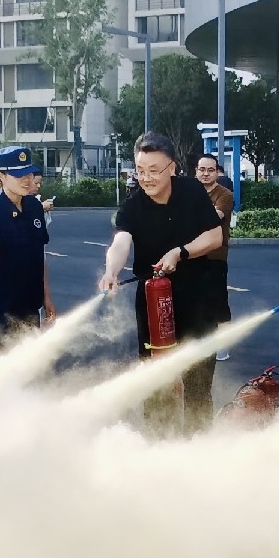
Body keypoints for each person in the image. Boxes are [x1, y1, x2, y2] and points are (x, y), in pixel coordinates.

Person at [99, 132, 226, 431]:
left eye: (154, 170)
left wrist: (180, 252)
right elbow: (121, 241)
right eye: (140, 171)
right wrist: (111, 271)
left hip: (197, 298)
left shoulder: (192, 192)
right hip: (153, 303)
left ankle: (198, 441)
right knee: (155, 379)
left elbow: (214, 236)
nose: (146, 178)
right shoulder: (133, 206)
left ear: (172, 168)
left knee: (197, 381)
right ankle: (158, 443)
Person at [0, 144, 55, 354]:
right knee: (2, 370)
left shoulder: (34, 207)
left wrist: (46, 297)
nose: (27, 180)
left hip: (29, 309)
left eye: (29, 173)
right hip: (0, 313)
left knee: (32, 368)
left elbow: (39, 255)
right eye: (19, 175)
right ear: (2, 176)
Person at [194, 151, 236, 358]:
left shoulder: (225, 195)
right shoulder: (190, 192)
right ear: (196, 171)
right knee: (195, 302)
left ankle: (223, 346)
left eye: (210, 170)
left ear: (217, 172)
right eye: (202, 169)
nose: (205, 174)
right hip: (192, 256)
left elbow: (213, 217)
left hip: (215, 257)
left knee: (218, 302)